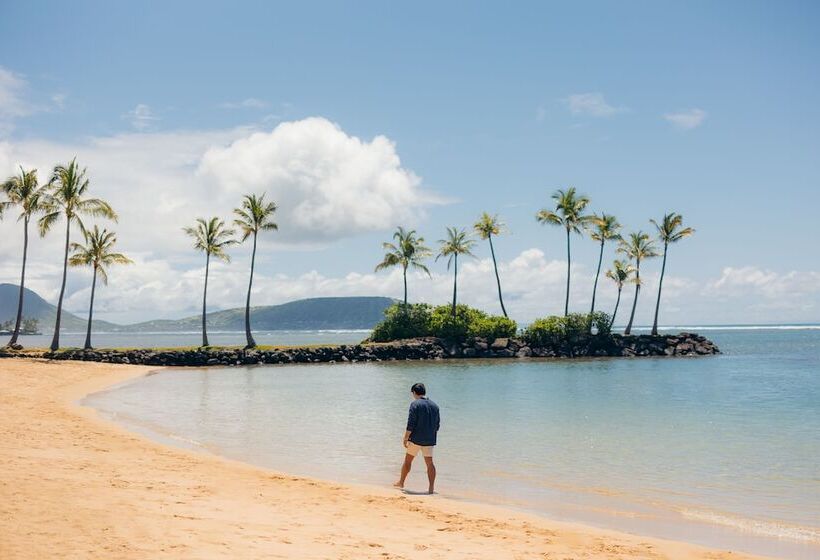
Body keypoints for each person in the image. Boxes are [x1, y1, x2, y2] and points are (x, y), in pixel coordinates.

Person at [393, 382, 440, 494]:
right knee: (430, 463)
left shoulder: (415, 404)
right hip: (429, 439)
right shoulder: (435, 406)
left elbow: (411, 423)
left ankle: (401, 482)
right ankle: (431, 488)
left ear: (414, 392)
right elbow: (437, 425)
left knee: (408, 461)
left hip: (416, 439)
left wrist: (405, 438)